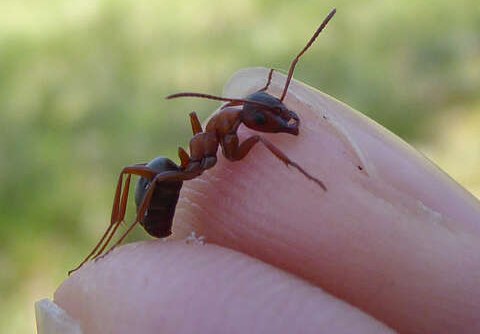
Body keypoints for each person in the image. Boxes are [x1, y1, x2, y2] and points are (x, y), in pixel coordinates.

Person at [51, 69, 480, 333]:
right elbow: (224, 150)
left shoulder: (234, 132)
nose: (265, 126)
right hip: (166, 189)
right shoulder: (206, 147)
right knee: (140, 170)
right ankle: (116, 231)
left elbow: (248, 139)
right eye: (260, 120)